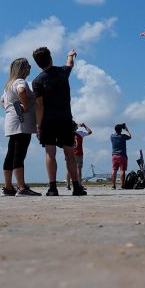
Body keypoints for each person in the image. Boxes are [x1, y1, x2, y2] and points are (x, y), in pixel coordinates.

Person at [31, 46, 87, 197]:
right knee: (69, 153)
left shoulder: (37, 81)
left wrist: (38, 125)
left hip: (48, 121)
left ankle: (52, 188)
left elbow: (40, 106)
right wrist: (70, 55)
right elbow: (70, 64)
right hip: (65, 119)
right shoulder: (62, 72)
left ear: (37, 63)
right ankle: (76, 187)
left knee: (50, 153)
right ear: (51, 58)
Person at [0, 57, 40, 196]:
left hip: (11, 121)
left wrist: (10, 109)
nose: (30, 68)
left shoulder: (8, 84)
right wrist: (26, 106)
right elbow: (22, 91)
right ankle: (22, 187)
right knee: (19, 154)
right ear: (23, 68)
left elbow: (2, 101)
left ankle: (8, 187)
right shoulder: (20, 82)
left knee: (10, 154)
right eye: (28, 65)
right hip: (22, 123)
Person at [110, 123, 131, 189]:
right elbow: (129, 136)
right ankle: (122, 185)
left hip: (114, 155)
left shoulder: (112, 136)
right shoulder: (123, 136)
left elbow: (116, 132)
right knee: (122, 170)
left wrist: (120, 127)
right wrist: (126, 129)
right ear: (121, 130)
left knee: (114, 170)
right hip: (122, 155)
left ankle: (113, 185)